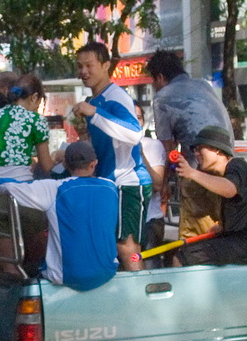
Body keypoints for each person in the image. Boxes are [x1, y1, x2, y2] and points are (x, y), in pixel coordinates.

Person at [0, 141, 118, 290]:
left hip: (66, 277)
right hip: (107, 272)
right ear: (94, 164)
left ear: (65, 165)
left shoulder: (54, 188)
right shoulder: (111, 187)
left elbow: (10, 186)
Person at [72, 42, 151, 271]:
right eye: (79, 66)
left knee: (127, 247)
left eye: (89, 65)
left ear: (106, 65)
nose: (83, 72)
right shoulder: (94, 101)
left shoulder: (115, 97)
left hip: (127, 183)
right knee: (113, 245)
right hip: (109, 183)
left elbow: (134, 133)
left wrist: (95, 114)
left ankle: (140, 293)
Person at [145, 50, 233, 239]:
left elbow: (167, 148)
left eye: (153, 81)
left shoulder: (162, 97)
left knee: (194, 238)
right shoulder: (204, 85)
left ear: (160, 77)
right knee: (221, 231)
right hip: (227, 167)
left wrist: (164, 183)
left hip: (198, 171)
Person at [0, 74, 54, 274]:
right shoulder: (36, 121)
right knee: (33, 259)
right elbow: (46, 165)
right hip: (26, 195)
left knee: (8, 264)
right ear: (34, 98)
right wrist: (60, 157)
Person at [172, 126, 247, 267]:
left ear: (217, 149)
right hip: (240, 240)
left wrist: (192, 173)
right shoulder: (227, 172)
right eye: (195, 150)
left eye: (200, 149)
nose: (197, 154)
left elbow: (229, 189)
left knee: (182, 258)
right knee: (190, 249)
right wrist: (223, 226)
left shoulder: (237, 166)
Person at [136, 101, 167, 269]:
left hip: (149, 220)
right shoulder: (113, 146)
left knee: (150, 269)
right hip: (123, 221)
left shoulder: (152, 146)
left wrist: (140, 155)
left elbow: (157, 185)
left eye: (138, 118)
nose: (134, 121)